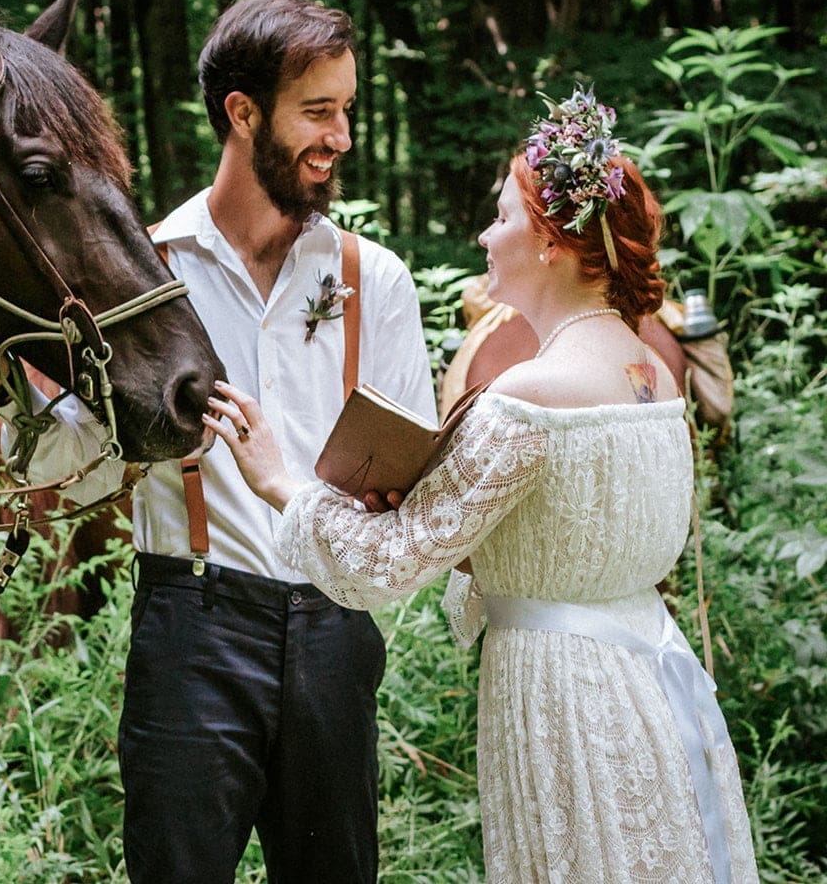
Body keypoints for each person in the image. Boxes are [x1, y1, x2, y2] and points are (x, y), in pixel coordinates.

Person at [0, 0, 433, 883]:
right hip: (193, 628)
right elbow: (70, 477)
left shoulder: (372, 279)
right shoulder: (142, 269)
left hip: (334, 627)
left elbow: (406, 488)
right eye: (318, 111)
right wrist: (1, 383)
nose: (341, 136)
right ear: (242, 113)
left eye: (346, 110)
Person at [206, 88, 759, 882]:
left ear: (549, 244)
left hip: (566, 696)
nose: (484, 235)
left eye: (501, 217)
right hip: (650, 679)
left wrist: (279, 481)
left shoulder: (529, 397)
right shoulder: (649, 380)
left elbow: (386, 565)